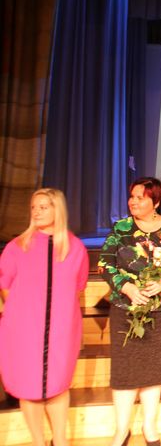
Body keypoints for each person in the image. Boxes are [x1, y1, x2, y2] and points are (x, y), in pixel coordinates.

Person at [98, 177, 161, 446]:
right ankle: (121, 430)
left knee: (155, 369)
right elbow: (105, 264)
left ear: (156, 201)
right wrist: (126, 287)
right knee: (125, 370)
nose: (133, 202)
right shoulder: (122, 228)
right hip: (126, 308)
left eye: (140, 197)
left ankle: (149, 426)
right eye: (132, 196)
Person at [0, 188, 89, 446]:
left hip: (61, 328)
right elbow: (5, 285)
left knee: (58, 384)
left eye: (43, 207)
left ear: (57, 209)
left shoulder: (74, 248)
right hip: (24, 329)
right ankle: (38, 442)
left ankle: (60, 441)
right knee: (28, 385)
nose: (36, 212)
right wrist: (20, 314)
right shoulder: (18, 246)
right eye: (33, 207)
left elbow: (78, 287)